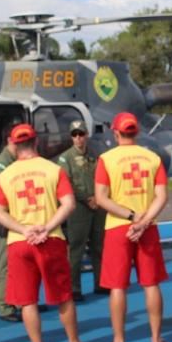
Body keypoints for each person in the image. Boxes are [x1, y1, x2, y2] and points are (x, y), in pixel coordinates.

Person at [0, 123, 89, 342]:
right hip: (51, 239)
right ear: (36, 143)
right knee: (63, 296)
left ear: (14, 145)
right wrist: (46, 227)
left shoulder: (5, 176)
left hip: (19, 242)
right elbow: (68, 204)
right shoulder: (53, 170)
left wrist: (23, 229)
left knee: (27, 301)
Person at [94, 112, 170, 342]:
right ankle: (157, 340)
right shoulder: (153, 158)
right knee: (151, 284)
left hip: (119, 226)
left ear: (116, 133)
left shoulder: (106, 159)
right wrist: (144, 220)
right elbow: (161, 196)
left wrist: (130, 216)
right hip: (148, 227)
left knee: (117, 287)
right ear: (136, 132)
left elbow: (101, 197)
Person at [57, 120, 106, 301]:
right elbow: (66, 183)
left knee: (99, 246)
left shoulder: (95, 155)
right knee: (76, 249)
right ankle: (74, 287)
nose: (78, 138)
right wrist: (86, 198)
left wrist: (98, 198)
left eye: (81, 134)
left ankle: (101, 283)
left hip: (98, 206)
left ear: (86, 135)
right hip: (78, 208)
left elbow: (102, 177)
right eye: (74, 134)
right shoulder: (65, 158)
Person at [0, 130, 21, 322]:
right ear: (9, 140)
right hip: (6, 219)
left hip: (17, 219)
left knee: (17, 263)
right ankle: (3, 305)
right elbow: (3, 195)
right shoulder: (1, 163)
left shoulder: (15, 161)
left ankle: (18, 300)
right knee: (4, 264)